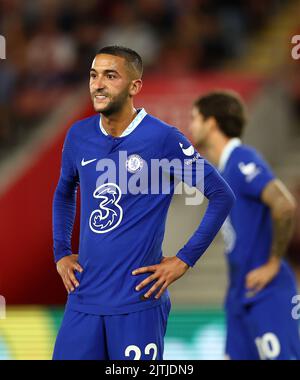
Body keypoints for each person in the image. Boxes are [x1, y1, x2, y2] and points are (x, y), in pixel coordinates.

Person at [52, 46, 235, 360]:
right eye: (94, 75)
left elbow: (222, 195)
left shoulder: (162, 139)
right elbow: (64, 192)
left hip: (137, 302)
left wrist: (184, 259)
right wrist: (61, 252)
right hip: (83, 300)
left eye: (111, 76)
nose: (98, 84)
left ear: (134, 86)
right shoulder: (78, 135)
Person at [190, 90, 300, 360]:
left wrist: (273, 262)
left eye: (195, 118)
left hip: (267, 293)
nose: (190, 125)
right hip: (239, 295)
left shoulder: (242, 159)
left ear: (211, 123)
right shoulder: (225, 170)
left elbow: (284, 204)